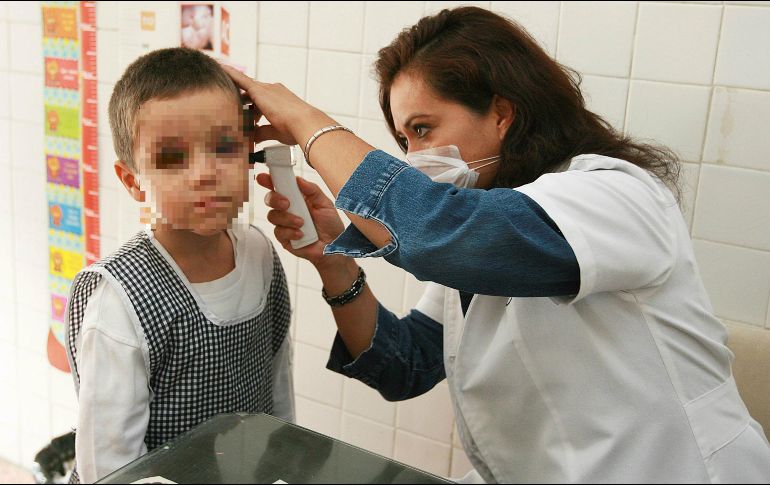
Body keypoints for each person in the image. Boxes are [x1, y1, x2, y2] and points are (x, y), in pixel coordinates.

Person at [225, 6, 770, 483]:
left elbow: (436, 233)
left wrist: (308, 126)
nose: (414, 156)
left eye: (423, 129)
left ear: (503, 114)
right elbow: (406, 364)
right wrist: (333, 261)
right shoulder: (483, 222)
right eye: (404, 139)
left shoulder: (614, 195)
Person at [64, 48, 294, 483]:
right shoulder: (120, 300)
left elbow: (277, 384)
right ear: (133, 181)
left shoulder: (260, 253)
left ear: (249, 152)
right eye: (172, 157)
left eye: (224, 147)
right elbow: (108, 469)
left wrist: (283, 464)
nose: (205, 173)